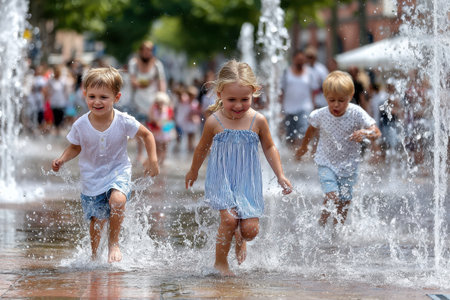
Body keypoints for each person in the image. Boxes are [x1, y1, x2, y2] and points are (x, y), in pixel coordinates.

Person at [185, 60, 293, 276]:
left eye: (244, 99)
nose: (238, 105)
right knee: (229, 219)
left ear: (254, 92)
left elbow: (270, 147)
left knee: (250, 230)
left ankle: (240, 238)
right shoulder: (214, 121)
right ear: (219, 94)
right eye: (231, 99)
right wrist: (193, 171)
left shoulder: (258, 120)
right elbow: (201, 148)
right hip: (222, 178)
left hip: (247, 181)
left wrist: (280, 175)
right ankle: (220, 263)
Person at [52, 67, 159, 263]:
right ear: (84, 95)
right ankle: (94, 257)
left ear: (116, 97)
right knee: (97, 219)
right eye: (92, 96)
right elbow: (75, 147)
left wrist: (152, 159)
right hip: (92, 177)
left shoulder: (123, 121)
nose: (97, 101)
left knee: (118, 200)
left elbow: (147, 135)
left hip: (118, 171)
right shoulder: (80, 124)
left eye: (103, 97)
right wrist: (62, 159)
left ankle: (114, 244)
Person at [295, 71, 380, 226]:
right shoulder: (320, 114)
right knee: (333, 195)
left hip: (349, 164)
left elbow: (376, 132)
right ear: (325, 96)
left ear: (350, 95)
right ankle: (322, 221)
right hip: (326, 161)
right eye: (331, 100)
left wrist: (365, 132)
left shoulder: (356, 113)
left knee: (345, 200)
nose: (335, 105)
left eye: (341, 100)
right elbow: (311, 130)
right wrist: (303, 147)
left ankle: (337, 228)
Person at [129, 40, 167, 162]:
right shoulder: (134, 63)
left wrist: (162, 99)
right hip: (137, 100)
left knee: (155, 128)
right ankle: (140, 154)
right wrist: (143, 84)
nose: (147, 52)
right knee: (139, 127)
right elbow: (133, 80)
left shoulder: (157, 64)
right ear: (140, 51)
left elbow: (161, 81)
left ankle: (153, 155)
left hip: (153, 101)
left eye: (149, 50)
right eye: (144, 49)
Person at [280, 50, 315, 148]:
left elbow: (312, 91)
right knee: (290, 136)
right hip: (289, 108)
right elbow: (282, 91)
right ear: (294, 59)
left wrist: (314, 106)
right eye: (298, 59)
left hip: (305, 107)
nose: (300, 62)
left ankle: (299, 155)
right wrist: (280, 108)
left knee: (302, 131)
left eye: (302, 60)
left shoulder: (309, 73)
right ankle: (292, 157)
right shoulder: (287, 72)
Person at [147, 91, 176, 166]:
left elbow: (170, 119)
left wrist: (168, 128)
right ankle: (157, 160)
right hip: (156, 130)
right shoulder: (153, 109)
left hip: (165, 130)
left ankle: (163, 160)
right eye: (159, 102)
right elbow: (151, 118)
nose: (160, 104)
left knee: (164, 146)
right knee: (156, 146)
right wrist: (157, 123)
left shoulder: (167, 109)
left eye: (162, 102)